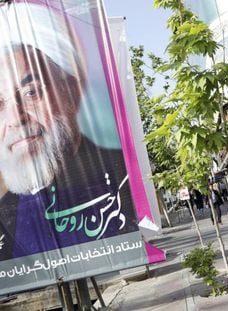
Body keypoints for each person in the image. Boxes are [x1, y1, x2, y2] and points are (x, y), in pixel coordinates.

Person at [0, 3, 138, 260]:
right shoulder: (5, 213)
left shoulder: (124, 174)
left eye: (31, 93)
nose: (15, 119)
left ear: (71, 91)